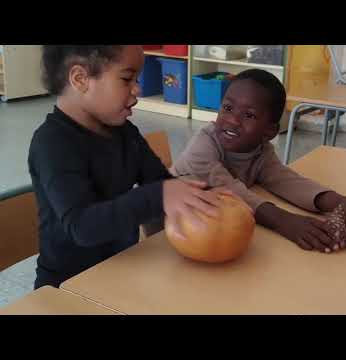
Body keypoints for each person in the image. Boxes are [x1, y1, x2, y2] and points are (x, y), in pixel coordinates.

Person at [28, 45, 225, 289]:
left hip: (120, 270)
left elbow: (158, 182)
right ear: (80, 79)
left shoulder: (125, 133)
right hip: (67, 286)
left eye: (137, 79)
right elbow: (82, 227)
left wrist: (198, 195)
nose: (137, 90)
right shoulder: (52, 144)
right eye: (126, 78)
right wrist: (160, 195)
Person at [171, 69, 346, 253]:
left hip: (214, 228)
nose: (232, 120)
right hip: (170, 230)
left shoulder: (261, 151)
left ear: (269, 132)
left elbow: (284, 180)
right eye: (228, 108)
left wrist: (336, 201)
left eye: (249, 115)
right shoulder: (203, 145)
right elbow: (229, 190)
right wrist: (284, 221)